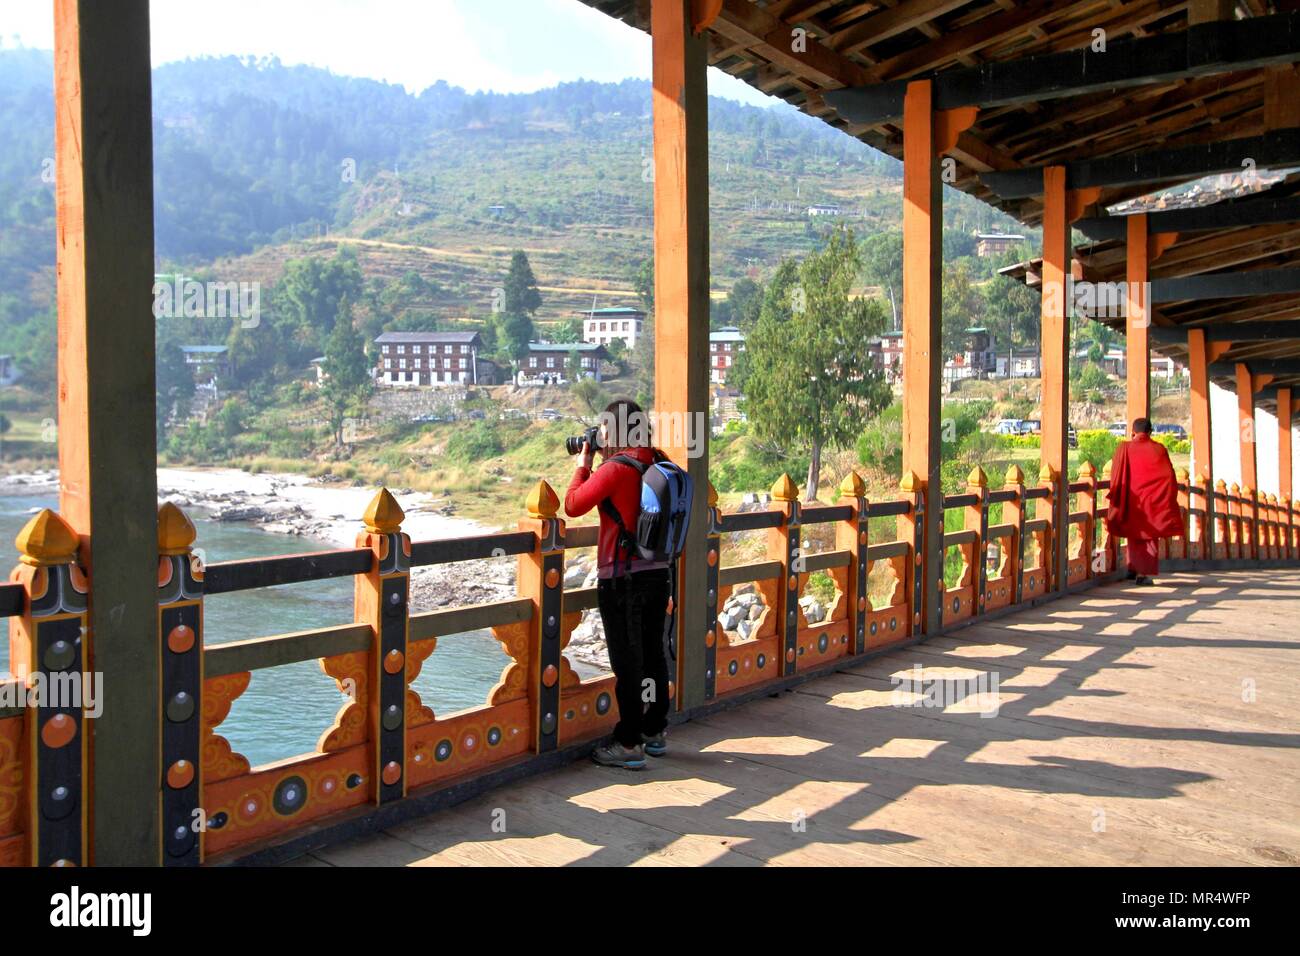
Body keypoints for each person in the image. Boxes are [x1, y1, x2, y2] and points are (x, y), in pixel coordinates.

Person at [564, 398, 671, 770]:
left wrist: (583, 465)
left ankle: (628, 743)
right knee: (654, 653)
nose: (600, 435)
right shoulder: (658, 460)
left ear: (616, 430)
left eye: (605, 428)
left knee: (628, 661)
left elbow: (573, 505)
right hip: (658, 573)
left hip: (621, 578)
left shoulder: (615, 468)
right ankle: (654, 730)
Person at [1105, 417, 1183, 585]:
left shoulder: (1124, 448)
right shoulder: (1159, 449)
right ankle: (1141, 573)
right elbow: (1169, 477)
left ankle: (1133, 567)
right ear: (1150, 432)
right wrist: (1165, 497)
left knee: (1134, 534)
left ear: (1133, 432)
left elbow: (1115, 476)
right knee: (1148, 537)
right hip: (1152, 500)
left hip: (1131, 500)